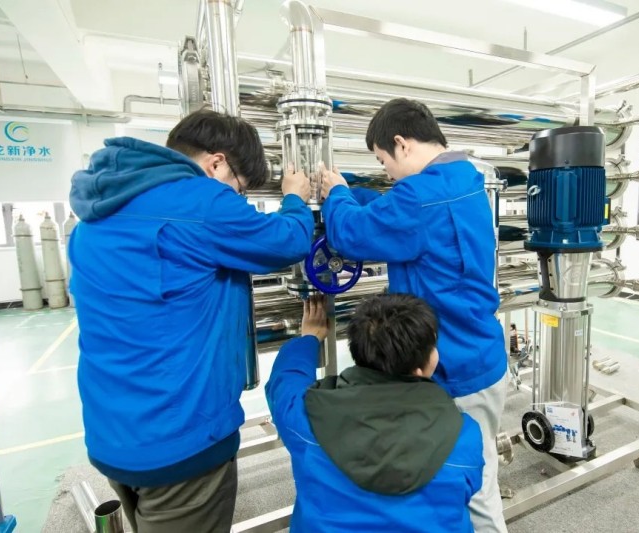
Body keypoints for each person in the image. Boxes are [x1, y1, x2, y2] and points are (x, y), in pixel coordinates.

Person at [68, 109, 313, 533]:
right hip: (181, 438)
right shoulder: (197, 201)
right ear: (216, 163)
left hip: (112, 432)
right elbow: (288, 241)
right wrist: (295, 198)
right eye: (239, 189)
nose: (237, 202)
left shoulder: (98, 211)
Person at [321, 98, 509, 532]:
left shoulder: (420, 198)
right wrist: (352, 193)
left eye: (383, 160)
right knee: (478, 472)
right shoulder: (464, 177)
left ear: (402, 144)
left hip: (452, 367)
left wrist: (335, 196)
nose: (386, 172)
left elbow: (352, 232)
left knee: (471, 486)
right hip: (481, 352)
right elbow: (394, 213)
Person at [266, 294, 483, 532]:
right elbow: (469, 488)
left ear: (358, 351)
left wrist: (309, 338)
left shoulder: (305, 418)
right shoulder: (463, 434)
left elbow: (284, 382)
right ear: (423, 366)